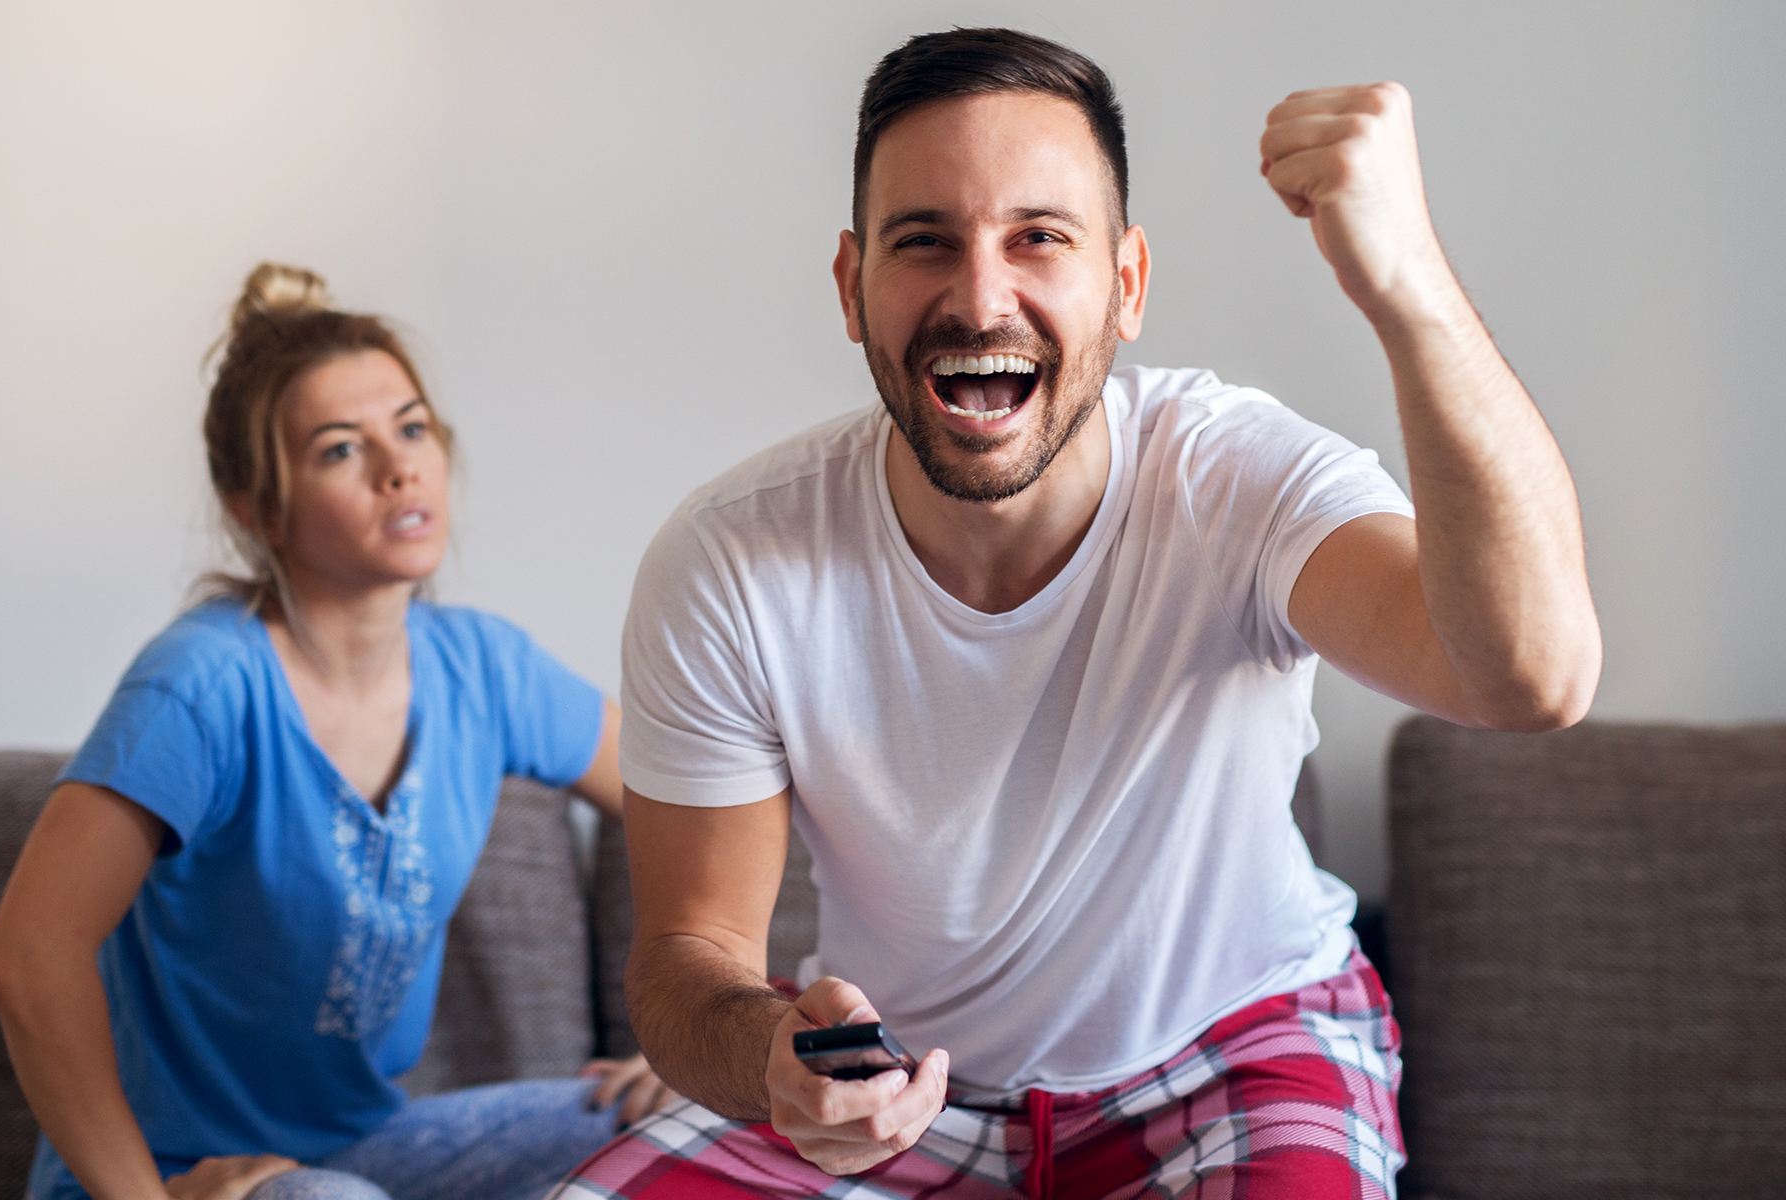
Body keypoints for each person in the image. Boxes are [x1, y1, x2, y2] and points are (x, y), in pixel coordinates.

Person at [555, 27, 1600, 1200]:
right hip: (906, 1096)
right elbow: (686, 961)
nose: (979, 296)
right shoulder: (730, 563)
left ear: (1127, 286)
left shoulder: (1240, 481)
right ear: (853, 288)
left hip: (1238, 1059)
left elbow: (1533, 680)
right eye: (924, 242)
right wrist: (775, 1060)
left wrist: (1407, 284)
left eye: (1038, 238)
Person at [0, 263, 670, 1200]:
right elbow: (28, 960)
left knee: (681, 1120)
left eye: (413, 429)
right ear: (258, 507)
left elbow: (691, 799)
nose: (401, 467)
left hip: (366, 1148)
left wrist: (703, 1031)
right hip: (176, 1178)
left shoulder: (484, 668)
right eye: (342, 449)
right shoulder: (200, 688)